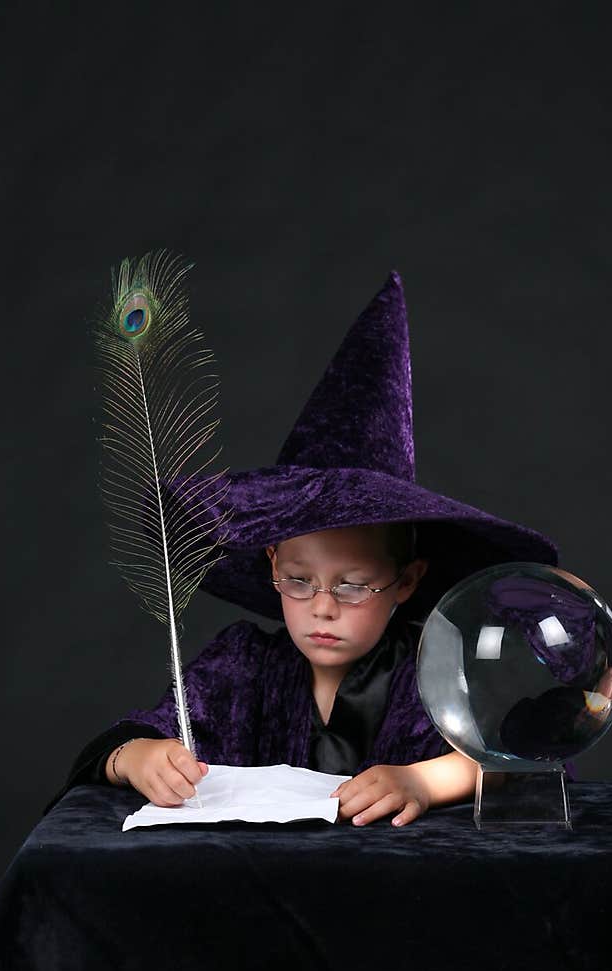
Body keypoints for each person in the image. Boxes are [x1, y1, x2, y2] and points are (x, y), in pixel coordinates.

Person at [45, 270, 560, 822]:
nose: (322, 606)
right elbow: (139, 733)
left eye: (354, 585)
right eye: (298, 580)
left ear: (405, 581)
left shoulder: (432, 673)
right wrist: (137, 757)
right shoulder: (242, 668)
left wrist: (424, 779)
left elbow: (519, 761)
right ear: (272, 562)